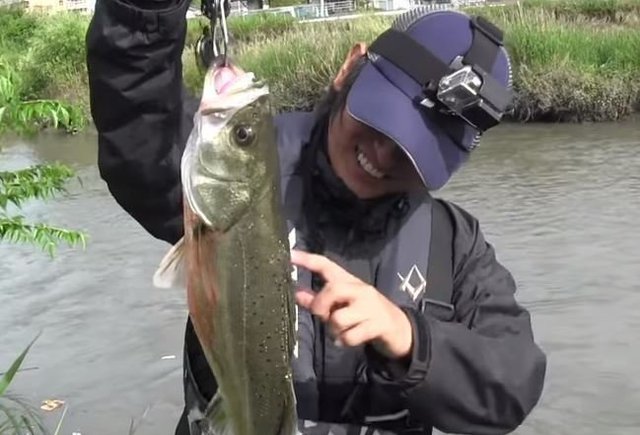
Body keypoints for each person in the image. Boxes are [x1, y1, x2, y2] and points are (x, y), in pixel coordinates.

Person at [85, 0, 547, 434]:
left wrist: (409, 337)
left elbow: (513, 381)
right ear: (349, 69)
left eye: (411, 152)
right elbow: (138, 122)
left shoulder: (453, 245)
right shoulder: (235, 175)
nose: (381, 156)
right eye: (378, 121)